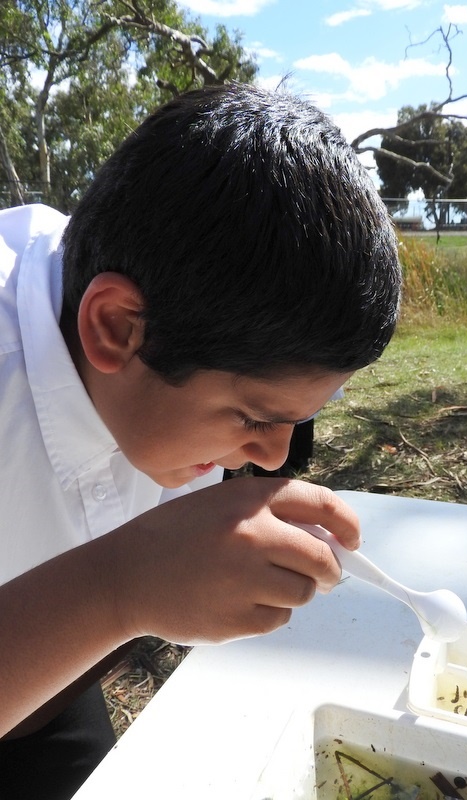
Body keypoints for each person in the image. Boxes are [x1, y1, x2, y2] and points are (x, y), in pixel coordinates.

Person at [0, 82, 401, 798]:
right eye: (253, 417)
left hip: (48, 676)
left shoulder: (176, 320)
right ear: (117, 328)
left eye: (301, 417)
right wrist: (118, 587)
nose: (274, 458)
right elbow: (113, 585)